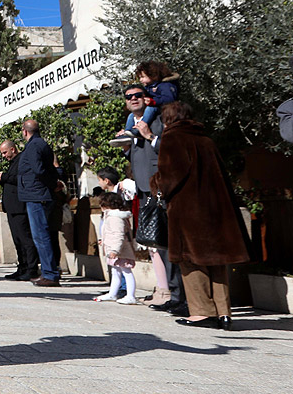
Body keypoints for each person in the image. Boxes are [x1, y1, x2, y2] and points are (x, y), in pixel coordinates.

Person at [153, 101, 249, 330]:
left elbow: (170, 175)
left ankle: (202, 312)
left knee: (191, 260)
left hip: (188, 209)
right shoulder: (206, 140)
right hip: (216, 209)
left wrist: (155, 185)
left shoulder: (172, 137)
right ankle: (224, 312)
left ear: (167, 119)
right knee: (216, 260)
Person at [116, 84, 185, 314]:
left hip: (161, 187)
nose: (134, 99)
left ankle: (178, 294)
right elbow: (138, 157)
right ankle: (169, 291)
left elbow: (169, 150)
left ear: (147, 99)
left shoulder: (155, 122)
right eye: (129, 97)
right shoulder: (132, 125)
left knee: (167, 241)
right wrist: (126, 146)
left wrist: (149, 135)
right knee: (157, 243)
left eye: (139, 95)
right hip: (145, 190)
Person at [17, 119, 61, 287]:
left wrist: (50, 184)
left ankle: (50, 274)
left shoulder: (34, 146)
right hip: (37, 194)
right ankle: (49, 272)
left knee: (41, 236)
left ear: (25, 131)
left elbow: (39, 170)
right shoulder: (40, 144)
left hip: (37, 195)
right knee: (42, 235)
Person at [0, 140, 39, 281]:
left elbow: (22, 179)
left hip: (20, 207)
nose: (4, 156)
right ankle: (22, 267)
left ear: (13, 149)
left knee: (25, 239)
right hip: (12, 207)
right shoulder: (13, 163)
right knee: (17, 240)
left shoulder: (22, 160)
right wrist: (1, 179)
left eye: (5, 152)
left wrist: (4, 177)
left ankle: (31, 269)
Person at [93, 191, 138, 304]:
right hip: (117, 249)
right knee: (116, 271)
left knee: (126, 271)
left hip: (120, 251)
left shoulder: (114, 218)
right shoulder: (113, 216)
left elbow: (118, 235)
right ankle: (113, 293)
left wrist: (115, 250)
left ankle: (130, 295)